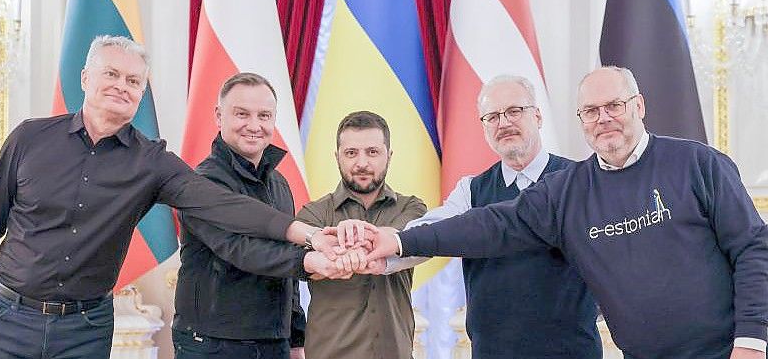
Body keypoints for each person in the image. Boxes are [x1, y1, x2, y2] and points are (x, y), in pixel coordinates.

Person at [0, 36, 341, 359]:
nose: (121, 85)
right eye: (111, 74)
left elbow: (223, 205)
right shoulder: (28, 138)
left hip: (84, 328)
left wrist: (306, 234)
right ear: (85, 78)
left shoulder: (153, 163)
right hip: (6, 316)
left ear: (141, 93)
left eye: (133, 80)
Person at [368, 66, 768, 359]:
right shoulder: (569, 192)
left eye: (614, 105)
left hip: (725, 353)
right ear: (581, 121)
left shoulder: (699, 164)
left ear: (639, 106)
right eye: (590, 111)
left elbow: (753, 248)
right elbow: (491, 223)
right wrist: (400, 239)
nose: (603, 118)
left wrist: (751, 342)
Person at [381, 75, 601, 358]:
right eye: (493, 116)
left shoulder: (581, 180)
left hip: (572, 351)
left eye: (514, 111)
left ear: (538, 116)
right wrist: (381, 248)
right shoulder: (471, 190)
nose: (504, 123)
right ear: (483, 128)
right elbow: (432, 231)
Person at [173, 72, 345, 359]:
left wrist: (296, 339)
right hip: (212, 344)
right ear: (219, 115)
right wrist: (309, 260)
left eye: (264, 115)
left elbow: (287, 272)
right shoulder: (201, 185)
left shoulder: (279, 184)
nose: (254, 126)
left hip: (273, 343)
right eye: (242, 114)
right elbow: (240, 250)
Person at [296, 111, 426, 359]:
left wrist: (350, 246)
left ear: (389, 156)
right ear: (337, 157)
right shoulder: (312, 216)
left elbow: (404, 237)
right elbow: (301, 265)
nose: (362, 163)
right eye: (351, 153)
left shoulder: (412, 208)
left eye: (373, 152)